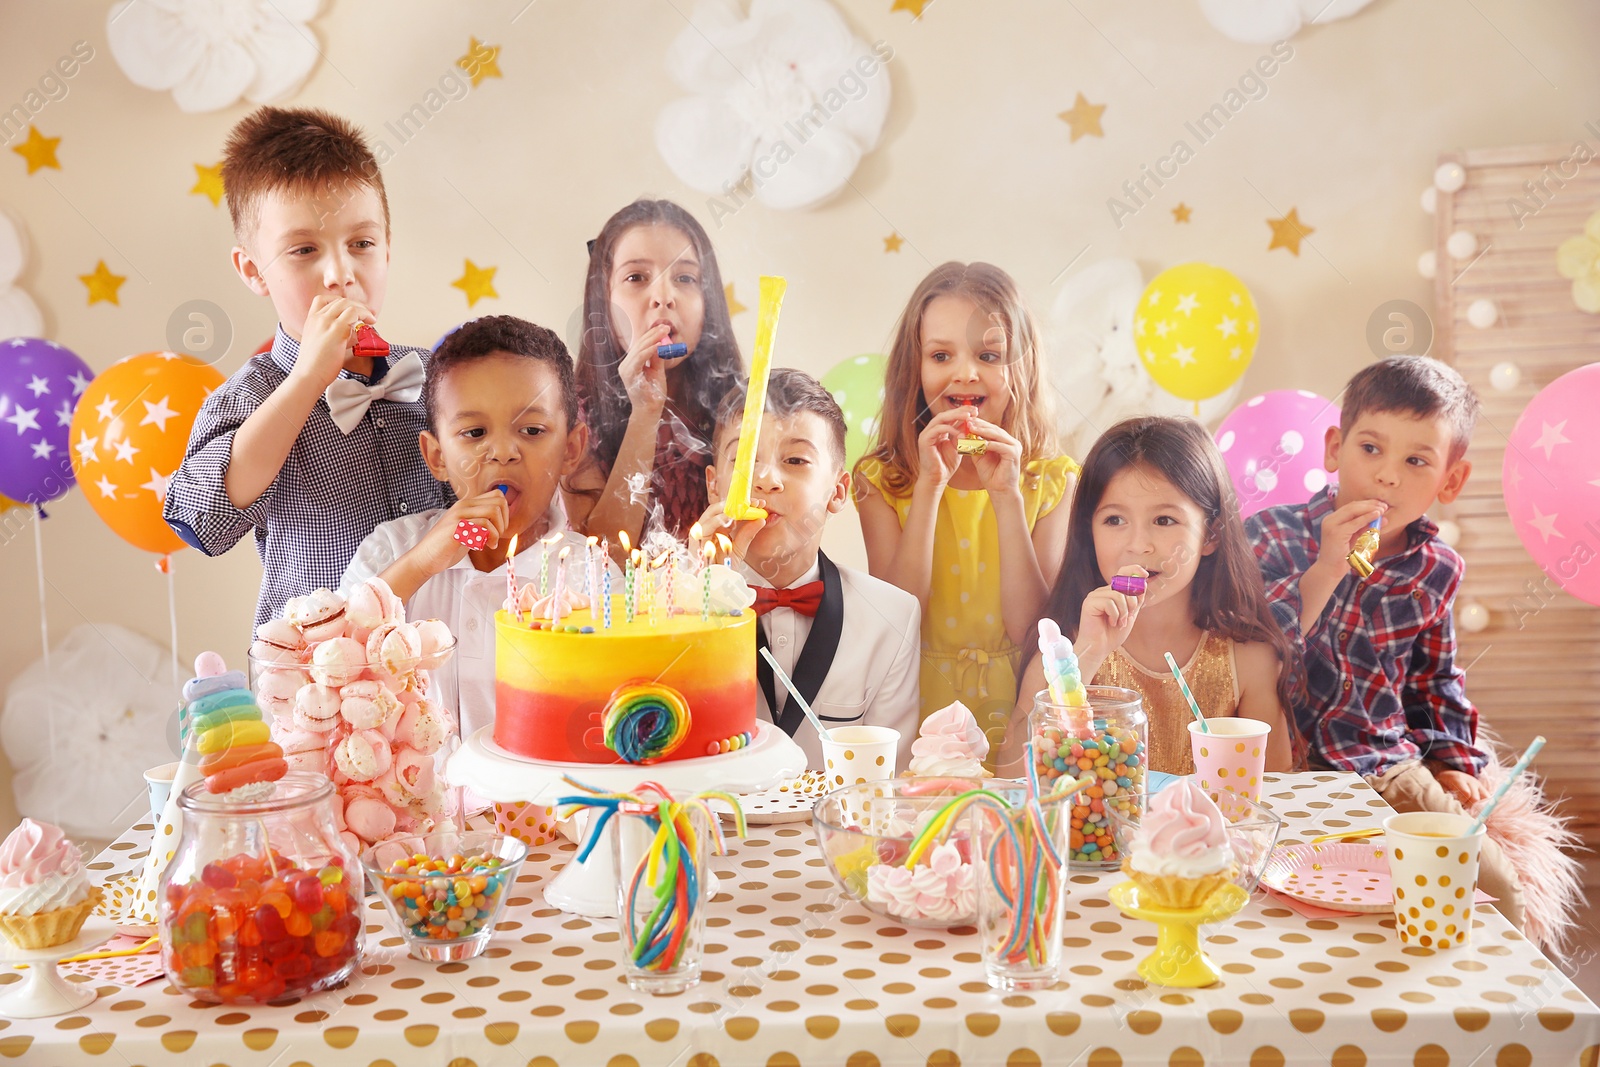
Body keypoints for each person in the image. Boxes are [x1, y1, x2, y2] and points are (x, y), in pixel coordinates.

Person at [1245, 356, 1561, 936]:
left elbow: (1434, 679)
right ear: (1334, 449)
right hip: (1284, 765)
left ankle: (1510, 1013)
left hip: (1383, 765)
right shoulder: (1269, 535)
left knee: (1493, 881)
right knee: (1285, 908)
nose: (1388, 476)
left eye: (1416, 460)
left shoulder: (1437, 570)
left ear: (1450, 481)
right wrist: (1326, 567)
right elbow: (1245, 654)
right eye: (1370, 449)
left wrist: (1453, 760)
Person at [164, 106, 448, 628]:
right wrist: (306, 381)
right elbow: (202, 518)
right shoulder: (252, 395)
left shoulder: (439, 377)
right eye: (303, 250)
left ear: (388, 248)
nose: (340, 273)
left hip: (437, 657)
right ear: (254, 270)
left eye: (362, 243)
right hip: (314, 671)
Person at [339, 315, 596, 741]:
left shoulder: (592, 575)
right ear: (436, 456)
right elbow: (331, 664)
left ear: (571, 449)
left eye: (532, 430)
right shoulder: (391, 550)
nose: (502, 452)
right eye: (474, 432)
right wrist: (421, 564)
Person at [854, 261, 1076, 750]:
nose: (965, 373)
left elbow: (1031, 628)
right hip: (916, 706)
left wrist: (1006, 497)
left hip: (1019, 709)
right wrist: (931, 487)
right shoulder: (880, 481)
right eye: (940, 355)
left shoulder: (1053, 479)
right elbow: (898, 620)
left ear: (1022, 367)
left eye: (989, 355)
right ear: (914, 370)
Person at [997, 417, 1297, 776]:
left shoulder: (1249, 659)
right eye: (1114, 520)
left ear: (1211, 535)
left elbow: (1277, 792)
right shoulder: (1065, 649)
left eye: (1165, 520)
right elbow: (1011, 772)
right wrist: (1088, 656)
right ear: (1088, 533)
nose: (1138, 545)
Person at [697, 369, 920, 770]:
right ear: (715, 486)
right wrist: (704, 601)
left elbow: (889, 782)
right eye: (746, 460)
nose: (766, 480)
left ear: (837, 492)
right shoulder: (669, 615)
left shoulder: (894, 618)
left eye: (796, 460)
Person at [566, 199, 743, 545]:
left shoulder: (740, 408)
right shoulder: (573, 415)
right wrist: (645, 414)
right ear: (603, 300)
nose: (663, 297)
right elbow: (605, 557)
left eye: (685, 278)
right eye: (636, 277)